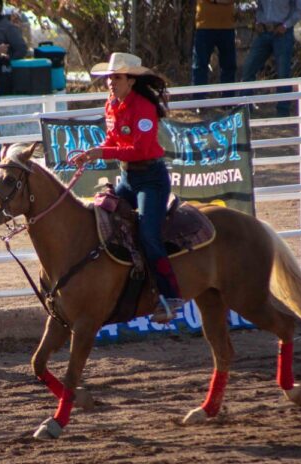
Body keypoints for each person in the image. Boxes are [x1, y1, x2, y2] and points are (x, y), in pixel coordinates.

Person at [70, 53, 184, 324]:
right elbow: (113, 139)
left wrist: (99, 153)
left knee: (148, 234)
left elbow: (139, 149)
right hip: (129, 177)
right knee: (101, 218)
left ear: (131, 81)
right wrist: (93, 153)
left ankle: (170, 296)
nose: (111, 82)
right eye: (109, 78)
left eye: (117, 77)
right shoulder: (112, 105)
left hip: (151, 179)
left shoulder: (143, 107)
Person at [241, 0, 301, 117]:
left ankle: (283, 110)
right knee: (249, 67)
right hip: (264, 32)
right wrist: (258, 21)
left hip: (282, 33)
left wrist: (286, 25)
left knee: (283, 72)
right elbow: (258, 6)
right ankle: (244, 108)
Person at [192, 0, 237, 102]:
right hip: (204, 26)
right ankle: (199, 101)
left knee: (229, 66)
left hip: (227, 26)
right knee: (200, 65)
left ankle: (228, 101)